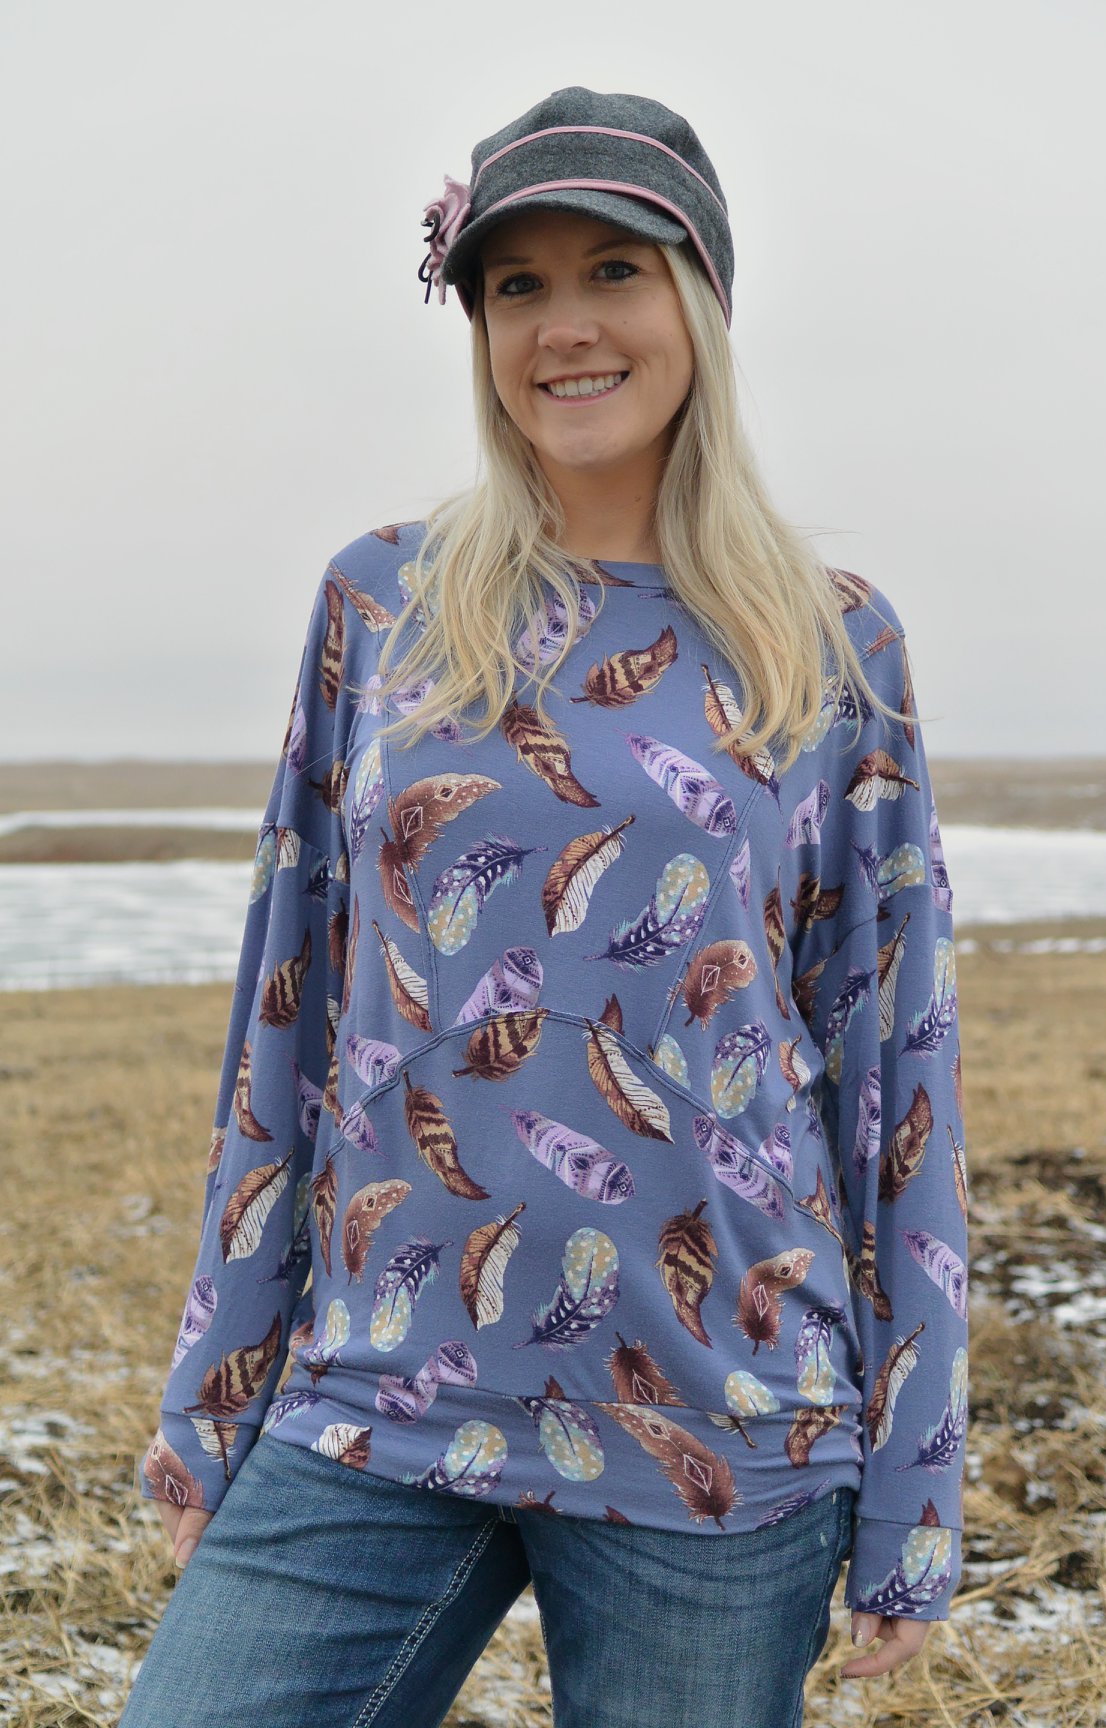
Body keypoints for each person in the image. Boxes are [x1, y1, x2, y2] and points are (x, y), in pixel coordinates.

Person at [118, 85, 967, 1728]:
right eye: (518, 285)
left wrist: (916, 1484)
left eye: (614, 271)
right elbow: (287, 1009)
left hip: (723, 1428)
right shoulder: (383, 602)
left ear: (701, 301)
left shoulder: (832, 641)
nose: (564, 325)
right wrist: (219, 1377)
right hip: (380, 1399)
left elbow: (899, 1078)